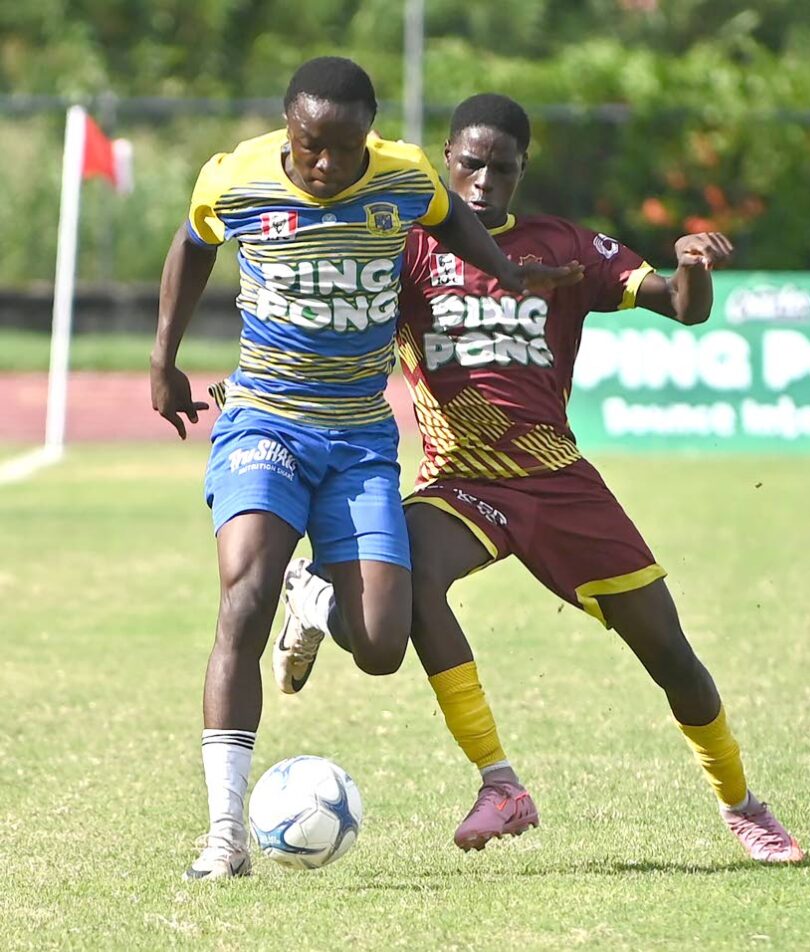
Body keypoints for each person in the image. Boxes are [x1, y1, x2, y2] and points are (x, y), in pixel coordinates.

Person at [272, 93, 804, 864]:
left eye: (503, 168)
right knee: (405, 590)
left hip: (560, 484)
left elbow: (683, 310)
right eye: (470, 164)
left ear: (523, 169)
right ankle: (499, 784)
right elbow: (334, 320)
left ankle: (742, 804)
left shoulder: (568, 246)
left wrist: (691, 267)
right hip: (460, 482)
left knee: (671, 657)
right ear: (446, 160)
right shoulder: (408, 248)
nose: (484, 181)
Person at [151, 61, 575, 881]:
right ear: (288, 126)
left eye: (345, 149)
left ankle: (314, 597)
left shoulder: (405, 177)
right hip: (266, 419)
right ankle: (225, 836)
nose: (327, 164)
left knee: (381, 644)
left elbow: (455, 221)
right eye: (312, 146)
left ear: (368, 136)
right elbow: (191, 243)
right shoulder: (234, 177)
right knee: (244, 596)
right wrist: (163, 359)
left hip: (359, 437)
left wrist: (505, 272)